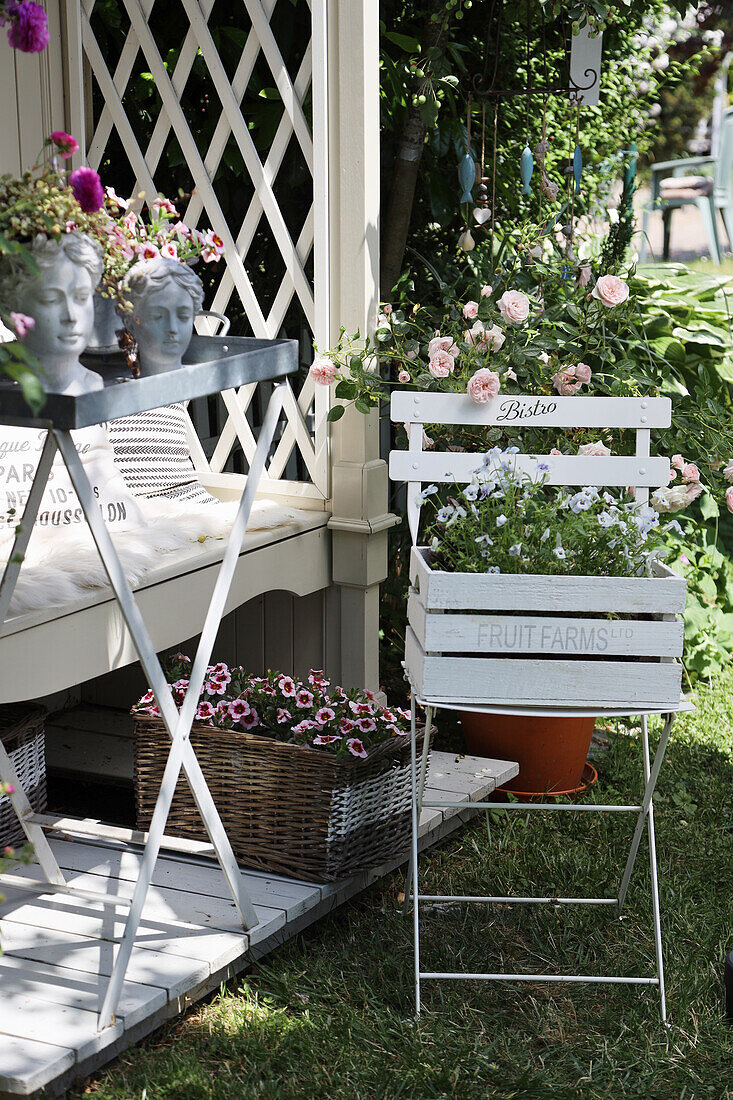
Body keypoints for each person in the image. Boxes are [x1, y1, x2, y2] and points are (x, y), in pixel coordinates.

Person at [0, 232, 104, 394]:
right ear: (10, 309)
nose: (71, 317)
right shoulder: (9, 402)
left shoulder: (94, 386)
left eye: (82, 297)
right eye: (50, 300)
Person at [120, 256, 204, 375]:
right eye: (158, 316)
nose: (172, 329)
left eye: (183, 316)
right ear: (130, 323)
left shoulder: (201, 381)